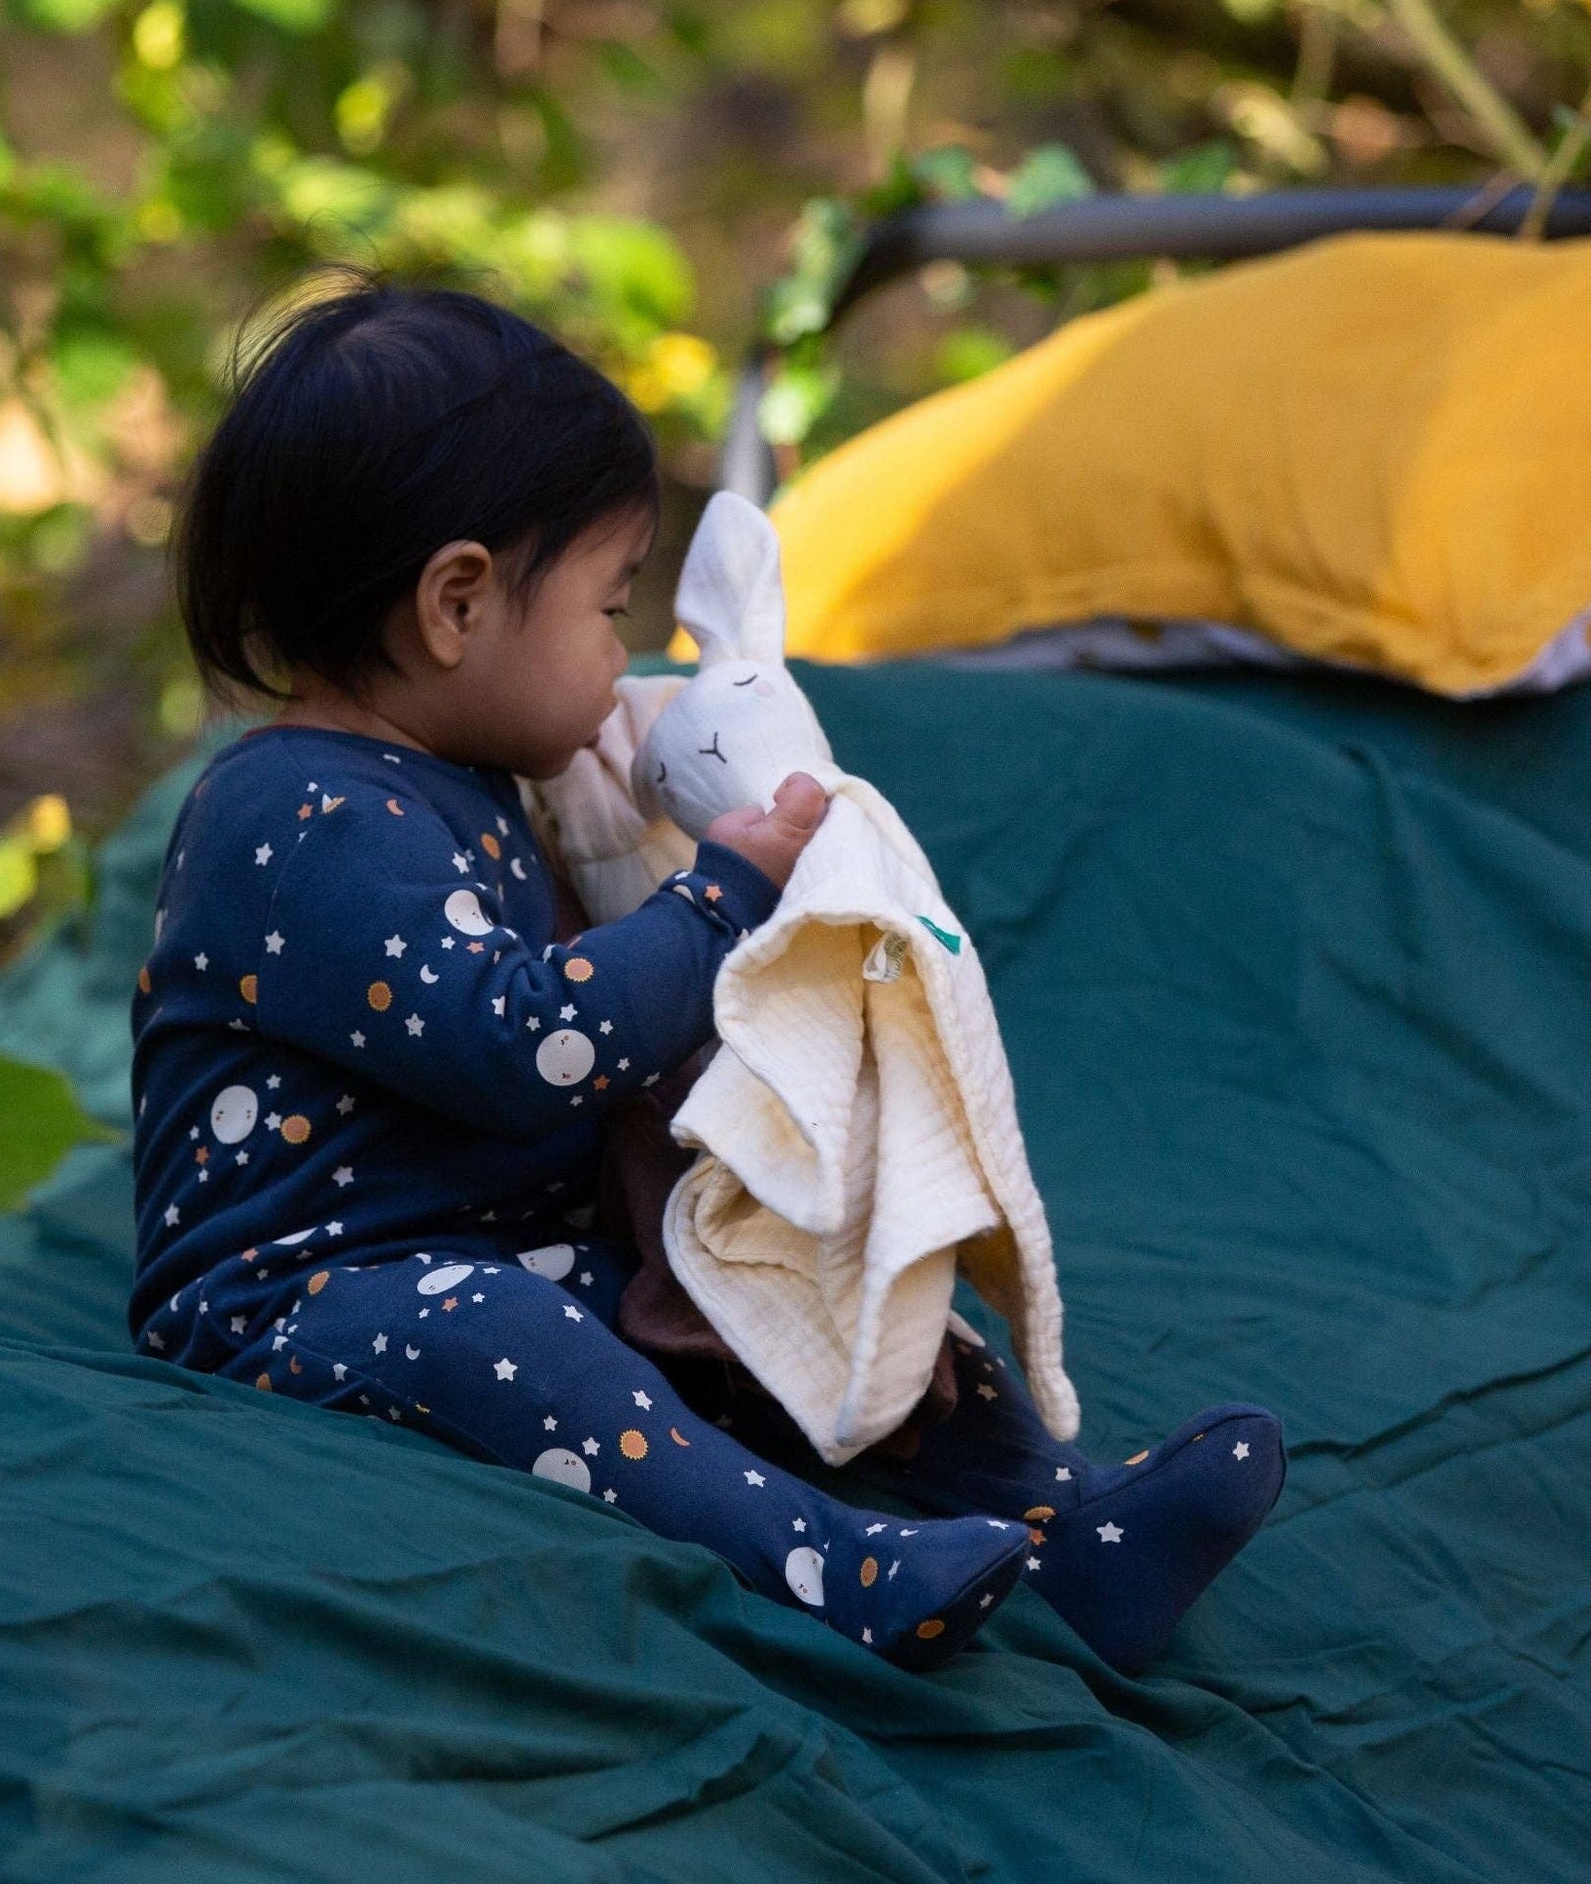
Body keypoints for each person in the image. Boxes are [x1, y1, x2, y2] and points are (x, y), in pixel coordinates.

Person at [129, 269, 1282, 1674]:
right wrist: (723, 894)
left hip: (504, 1239)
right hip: (303, 1292)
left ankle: (1064, 1513)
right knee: (498, 1332)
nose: (625, 652)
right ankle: (820, 1557)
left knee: (765, 1255)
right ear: (456, 604)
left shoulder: (478, 776)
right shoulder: (296, 814)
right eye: (610, 609)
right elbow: (521, 1042)